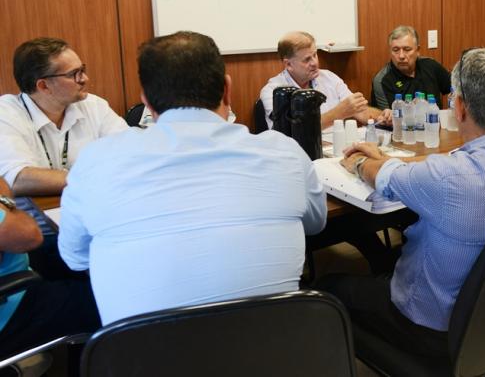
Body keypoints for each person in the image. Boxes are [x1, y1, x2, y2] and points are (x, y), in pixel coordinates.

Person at [58, 31, 327, 325]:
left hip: (141, 357)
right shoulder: (285, 152)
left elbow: (75, 258)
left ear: (146, 102)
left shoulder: (96, 161)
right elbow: (315, 224)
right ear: (227, 89)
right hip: (275, 351)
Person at [322, 47, 485, 356]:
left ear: (458, 108)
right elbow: (407, 174)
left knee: (327, 288)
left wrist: (358, 163)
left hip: (433, 328)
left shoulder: (448, 175)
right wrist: (384, 160)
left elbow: (383, 177)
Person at [0, 38, 127, 196]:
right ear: (44, 86)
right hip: (35, 213)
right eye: (74, 74)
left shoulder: (94, 106)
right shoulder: (6, 113)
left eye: (82, 70)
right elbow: (18, 179)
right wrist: (91, 178)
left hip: (92, 205)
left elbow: (129, 153)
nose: (84, 79)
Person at [0, 178, 100, 360]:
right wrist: (5, 204)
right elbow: (28, 235)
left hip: (17, 266)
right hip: (9, 304)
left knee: (63, 250)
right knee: (109, 298)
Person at [260, 31, 390, 130]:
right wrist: (338, 113)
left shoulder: (329, 78)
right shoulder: (273, 91)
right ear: (288, 64)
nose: (314, 63)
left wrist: (382, 117)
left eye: (315, 55)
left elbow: (360, 111)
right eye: (307, 59)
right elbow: (291, 130)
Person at [370, 25, 451, 110]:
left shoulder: (431, 66)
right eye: (396, 50)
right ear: (390, 51)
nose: (401, 56)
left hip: (434, 122)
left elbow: (457, 89)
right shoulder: (381, 80)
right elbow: (384, 119)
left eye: (407, 49)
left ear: (418, 50)